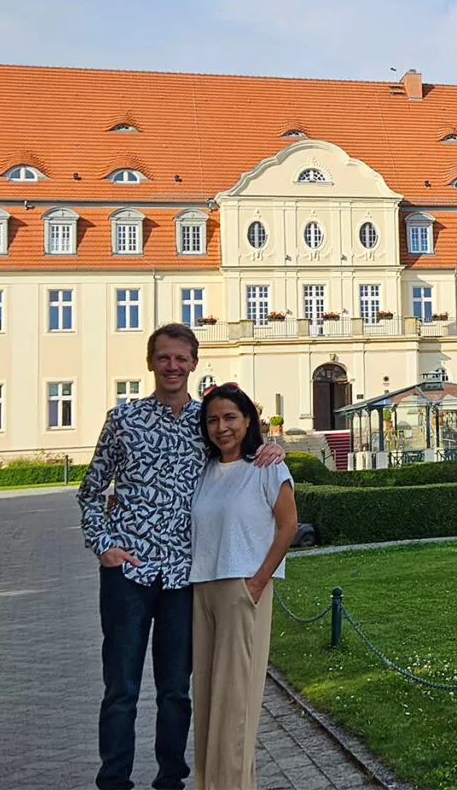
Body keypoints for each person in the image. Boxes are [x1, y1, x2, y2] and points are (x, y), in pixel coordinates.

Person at [78, 323, 284, 790]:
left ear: (194, 363)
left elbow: (242, 453)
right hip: (128, 573)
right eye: (164, 357)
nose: (173, 366)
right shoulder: (123, 420)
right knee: (121, 689)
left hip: (183, 576)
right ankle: (114, 781)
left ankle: (171, 779)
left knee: (175, 691)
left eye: (181, 358)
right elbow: (91, 491)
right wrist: (104, 546)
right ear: (150, 362)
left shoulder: (205, 423)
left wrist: (274, 444)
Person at [190, 382, 298, 790]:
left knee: (236, 700)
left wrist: (257, 583)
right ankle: (208, 783)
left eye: (230, 417)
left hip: (243, 588)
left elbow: (288, 527)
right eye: (213, 419)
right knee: (207, 697)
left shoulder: (269, 467)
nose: (222, 427)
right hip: (202, 588)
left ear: (248, 419)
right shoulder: (205, 470)